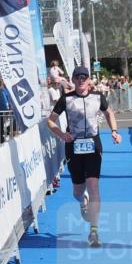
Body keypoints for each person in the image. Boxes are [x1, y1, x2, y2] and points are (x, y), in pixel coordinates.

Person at [46, 65, 121, 248]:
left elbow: (109, 113)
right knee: (78, 191)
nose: (81, 79)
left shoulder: (98, 97)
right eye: (77, 77)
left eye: (84, 76)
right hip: (74, 146)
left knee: (94, 186)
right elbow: (50, 120)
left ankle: (94, 231)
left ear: (88, 80)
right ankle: (82, 200)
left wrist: (114, 131)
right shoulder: (66, 99)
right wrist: (61, 134)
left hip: (93, 145)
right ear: (72, 79)